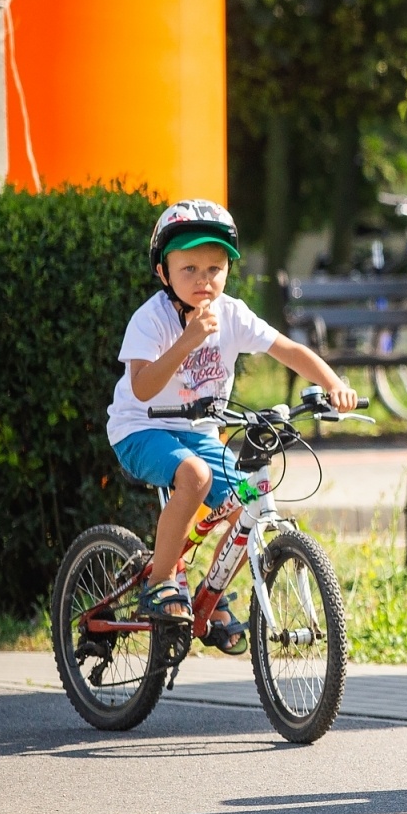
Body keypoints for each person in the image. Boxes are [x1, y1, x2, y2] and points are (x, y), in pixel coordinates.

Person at [107, 201, 359, 641]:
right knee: (195, 475)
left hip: (199, 431)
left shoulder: (232, 314)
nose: (204, 280)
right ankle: (159, 580)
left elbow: (289, 350)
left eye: (215, 268)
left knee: (249, 499)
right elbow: (143, 387)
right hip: (141, 428)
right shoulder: (151, 319)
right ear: (164, 272)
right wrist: (188, 340)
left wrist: (334, 383)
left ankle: (211, 594)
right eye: (189, 269)